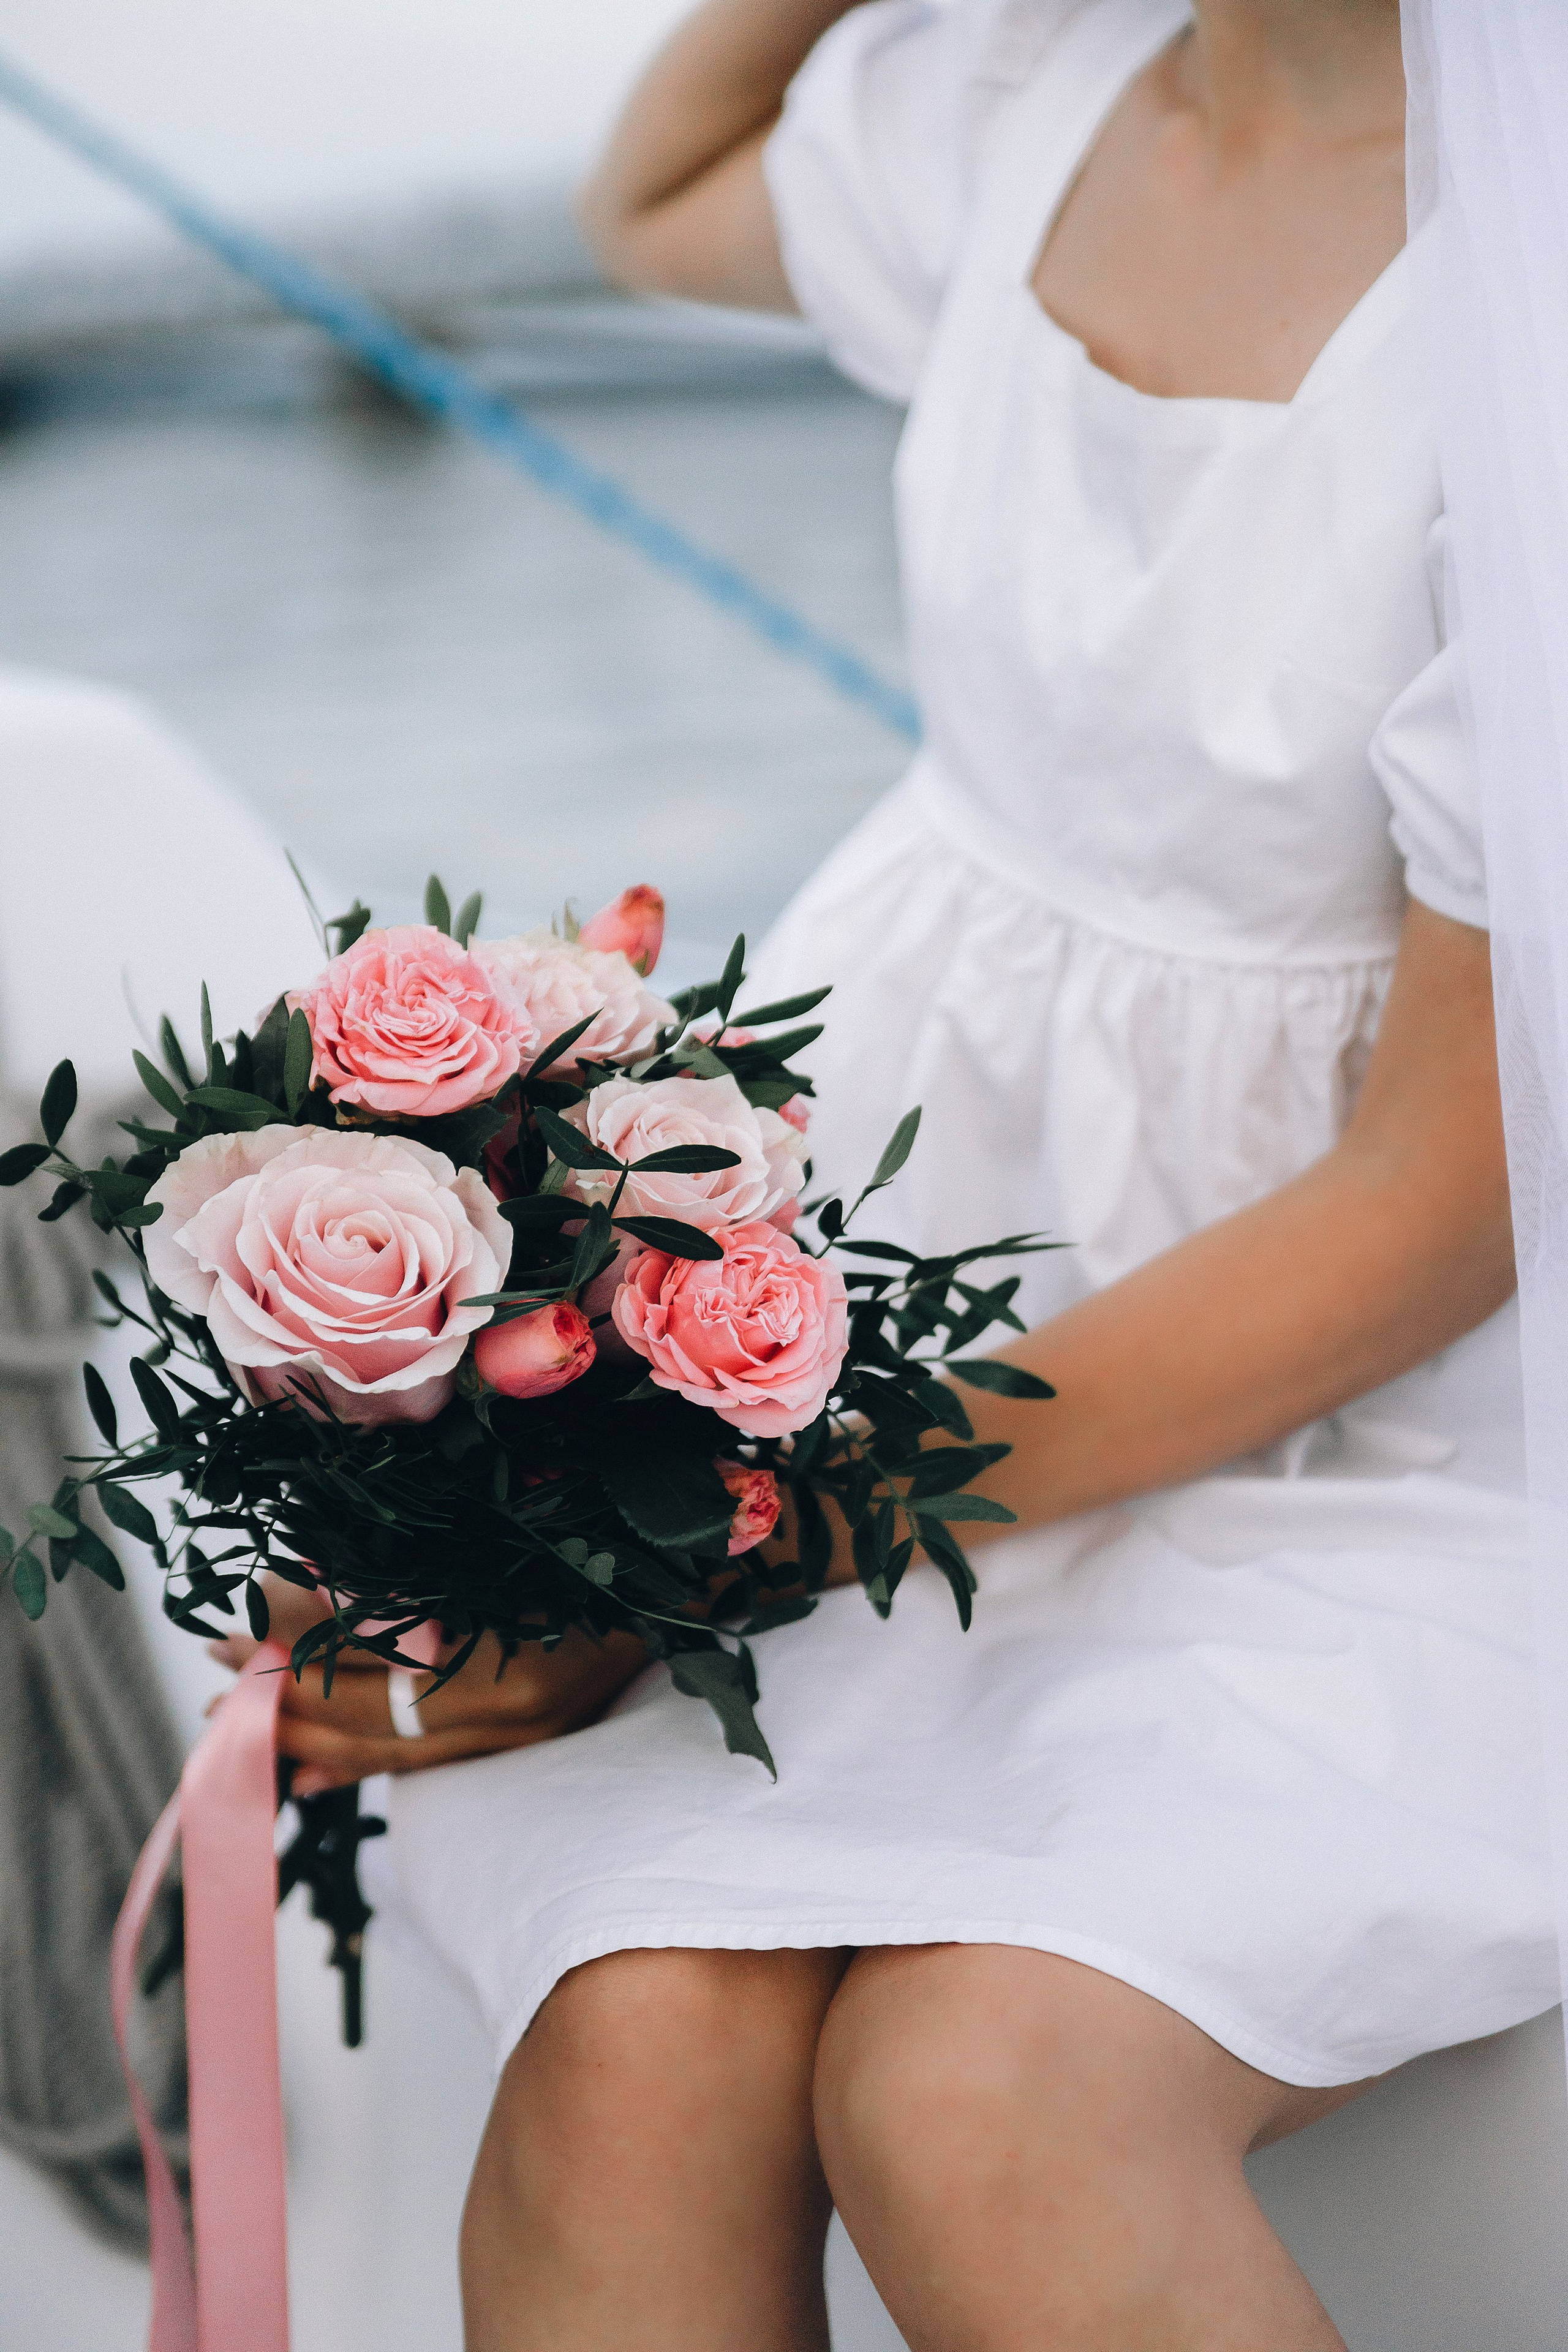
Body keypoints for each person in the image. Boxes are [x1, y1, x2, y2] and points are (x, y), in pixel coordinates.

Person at [217, 1, 1559, 2343]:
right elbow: (653, 193)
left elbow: (1441, 1206)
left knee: (984, 2092)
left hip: (1378, 1458)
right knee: (638, 2045)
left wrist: (726, 1540)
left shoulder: (1517, 298)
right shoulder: (1022, 105)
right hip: (904, 1312)